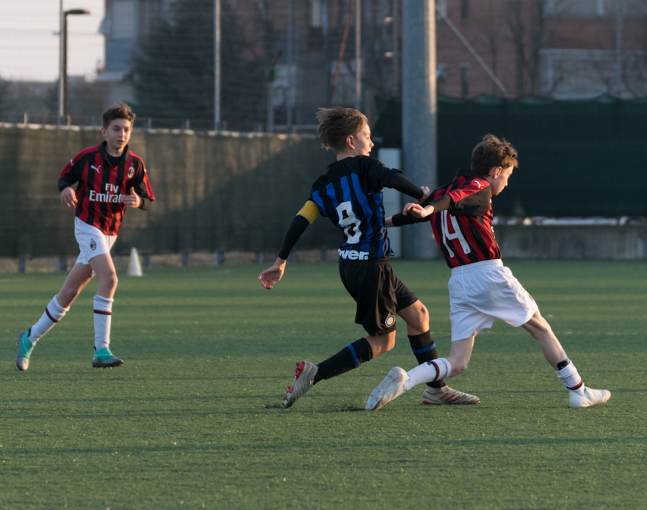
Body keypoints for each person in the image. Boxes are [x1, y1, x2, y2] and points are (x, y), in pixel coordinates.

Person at [366, 134, 611, 410]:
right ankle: (578, 390)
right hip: (488, 275)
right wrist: (428, 209)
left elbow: (423, 210)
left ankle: (406, 380)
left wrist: (383, 223)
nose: (505, 183)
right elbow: (454, 199)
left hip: (459, 281)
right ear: (495, 171)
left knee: (458, 362)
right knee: (541, 328)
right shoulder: (478, 187)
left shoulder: (442, 191)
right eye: (506, 176)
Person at [259, 107, 478, 409]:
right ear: (351, 141)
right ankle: (314, 373)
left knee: (418, 316)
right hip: (371, 266)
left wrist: (280, 260)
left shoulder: (323, 184)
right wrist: (420, 194)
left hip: (354, 264)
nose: (371, 143)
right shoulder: (364, 166)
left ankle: (436, 390)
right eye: (367, 136)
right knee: (383, 341)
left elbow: (301, 220)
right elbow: (391, 177)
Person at [15, 103, 155, 371]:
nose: (121, 134)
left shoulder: (135, 165)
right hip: (87, 225)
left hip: (109, 234)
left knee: (69, 292)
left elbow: (147, 199)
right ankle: (101, 349)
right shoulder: (88, 158)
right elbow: (64, 178)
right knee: (110, 278)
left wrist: (139, 202)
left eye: (126, 130)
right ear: (104, 131)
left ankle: (28, 339)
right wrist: (65, 189)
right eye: (116, 129)